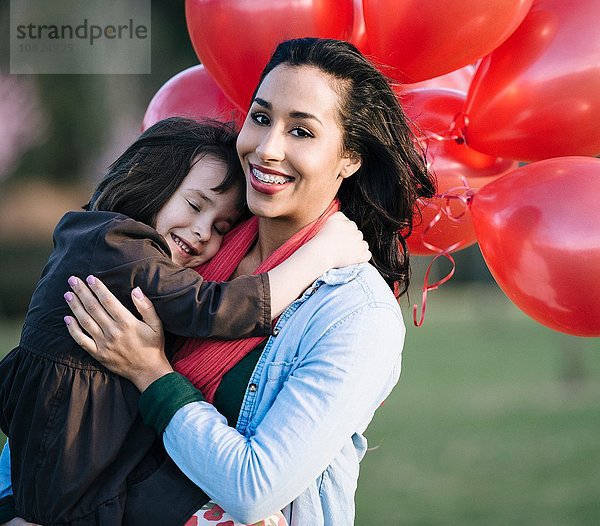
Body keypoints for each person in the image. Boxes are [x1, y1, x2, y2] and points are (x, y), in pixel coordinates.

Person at [0, 116, 370, 525]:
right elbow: (214, 308)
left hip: (81, 466)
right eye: (195, 206)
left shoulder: (91, 238)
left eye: (220, 228)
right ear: (149, 181)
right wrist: (321, 253)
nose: (200, 232)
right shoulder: (119, 248)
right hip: (81, 477)